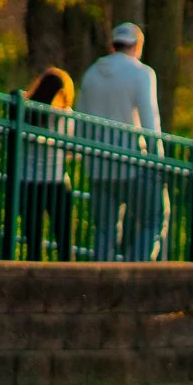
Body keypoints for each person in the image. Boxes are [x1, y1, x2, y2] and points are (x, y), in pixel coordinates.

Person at [76, 21, 166, 261]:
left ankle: (100, 280)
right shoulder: (142, 73)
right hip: (131, 164)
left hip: (97, 165)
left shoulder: (91, 74)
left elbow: (80, 123)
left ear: (112, 45)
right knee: (152, 219)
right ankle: (136, 271)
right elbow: (150, 121)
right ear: (137, 46)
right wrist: (159, 162)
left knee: (104, 229)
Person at [16, 66, 77, 261]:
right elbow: (70, 150)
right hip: (56, 183)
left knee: (33, 243)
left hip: (28, 182)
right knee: (64, 242)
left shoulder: (25, 111)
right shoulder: (65, 115)